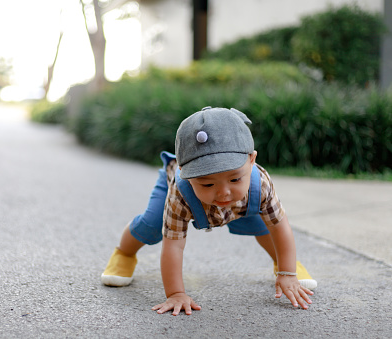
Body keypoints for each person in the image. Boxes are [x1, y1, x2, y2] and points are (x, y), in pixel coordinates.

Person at [101, 106, 317, 315]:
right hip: (183, 198)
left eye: (234, 178)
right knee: (151, 223)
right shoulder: (180, 192)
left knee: (261, 224)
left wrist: (287, 273)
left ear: (251, 160)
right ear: (184, 172)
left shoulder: (260, 183)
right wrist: (176, 293)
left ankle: (284, 264)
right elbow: (173, 247)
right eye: (207, 184)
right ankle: (124, 254)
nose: (223, 193)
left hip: (243, 204)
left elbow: (280, 226)